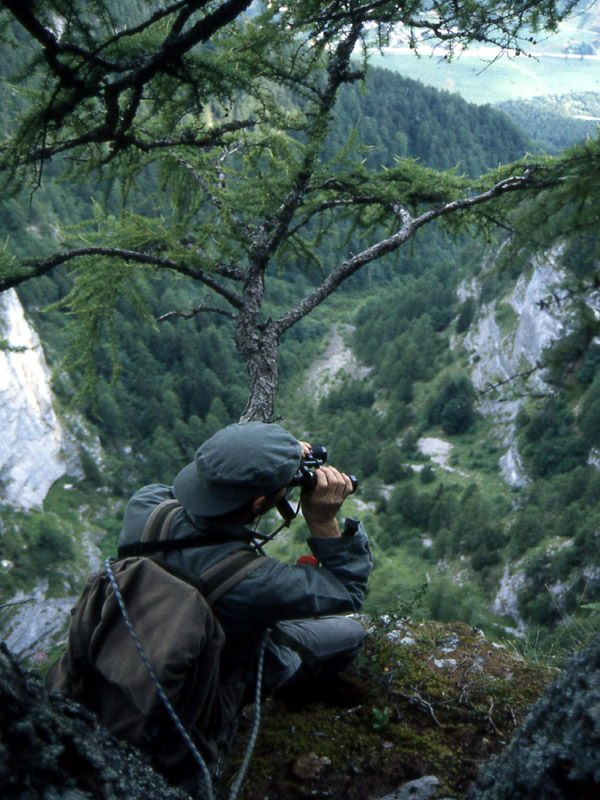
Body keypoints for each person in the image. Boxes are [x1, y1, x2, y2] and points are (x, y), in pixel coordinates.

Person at [117, 420, 373, 785]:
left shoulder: (143, 507)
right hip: (209, 682)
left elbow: (191, 490)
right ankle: (279, 698)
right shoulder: (253, 582)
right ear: (259, 503)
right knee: (348, 634)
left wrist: (268, 455)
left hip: (139, 642)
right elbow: (346, 589)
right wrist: (322, 518)